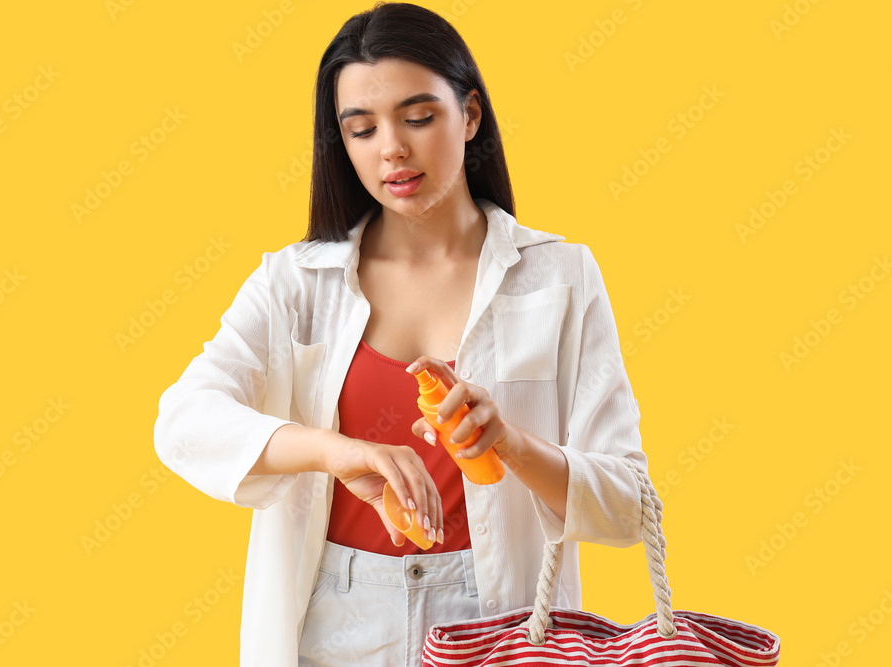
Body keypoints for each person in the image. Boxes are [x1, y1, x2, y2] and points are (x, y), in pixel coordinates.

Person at [153, 2, 648, 665]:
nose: (392, 148)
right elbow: (183, 421)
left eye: (418, 118)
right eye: (361, 129)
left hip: (495, 622)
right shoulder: (296, 283)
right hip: (333, 624)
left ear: (469, 115)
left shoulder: (559, 276)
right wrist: (335, 452)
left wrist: (512, 443)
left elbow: (626, 503)